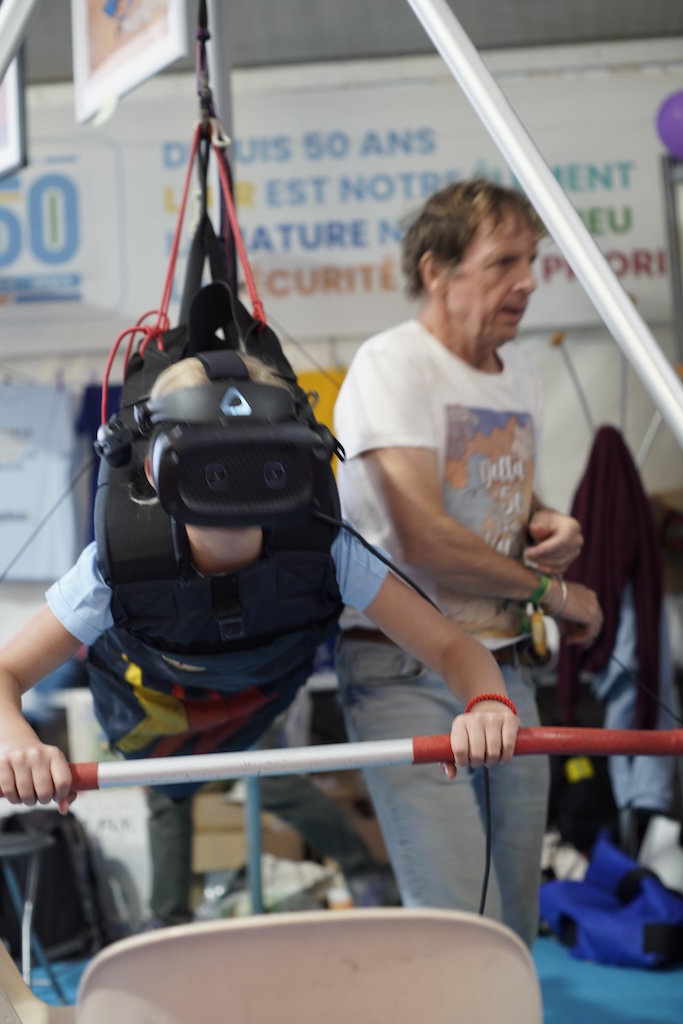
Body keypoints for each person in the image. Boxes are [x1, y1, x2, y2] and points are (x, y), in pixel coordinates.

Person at [0, 349, 520, 927]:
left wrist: (486, 702)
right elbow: (5, 672)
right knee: (170, 796)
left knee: (271, 782)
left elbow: (454, 647)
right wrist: (16, 741)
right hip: (156, 706)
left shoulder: (325, 549)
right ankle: (168, 920)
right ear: (153, 469)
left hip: (262, 696)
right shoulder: (118, 562)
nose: (235, 489)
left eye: (260, 461)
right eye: (212, 466)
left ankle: (350, 868)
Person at [333, 177, 604, 948]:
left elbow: (494, 500)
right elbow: (422, 538)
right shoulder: (393, 364)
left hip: (505, 669)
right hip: (403, 669)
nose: (526, 282)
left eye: (531, 261)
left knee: (513, 925)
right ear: (435, 270)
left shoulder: (518, 373)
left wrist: (546, 522)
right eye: (502, 263)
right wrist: (552, 592)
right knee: (459, 928)